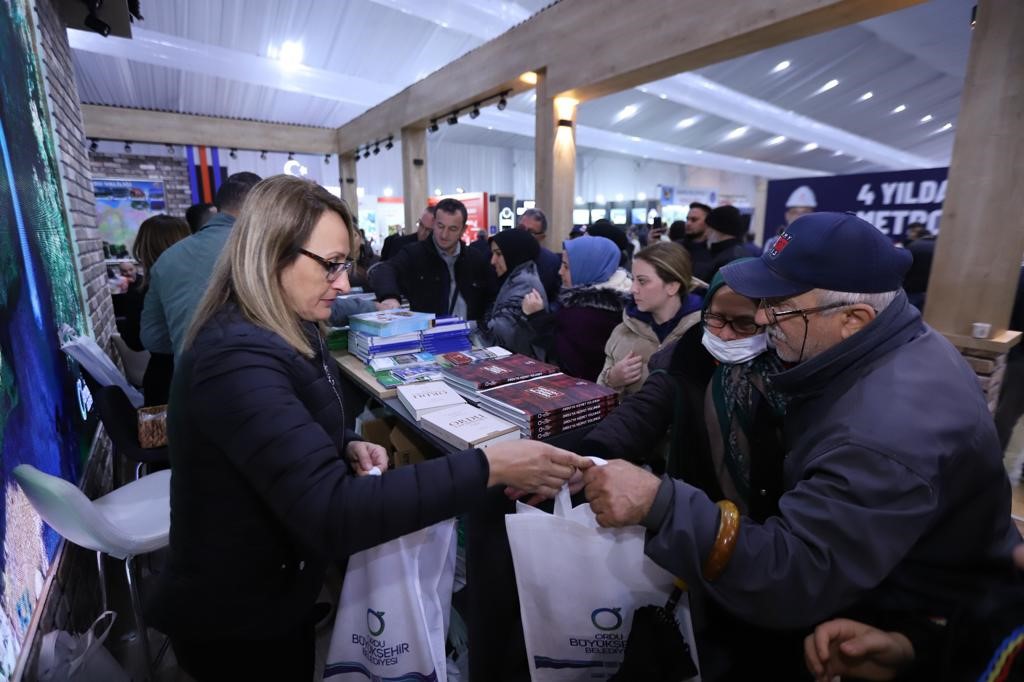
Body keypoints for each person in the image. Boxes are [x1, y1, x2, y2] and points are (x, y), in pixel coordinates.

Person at [148, 175, 591, 680]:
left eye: (347, 264)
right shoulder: (236, 357)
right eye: (332, 265)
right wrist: (490, 465)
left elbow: (278, 433)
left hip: (274, 590)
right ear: (271, 253)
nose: (343, 283)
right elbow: (331, 511)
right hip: (234, 618)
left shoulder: (280, 327)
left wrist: (345, 445)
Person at [583, 212, 1020, 678]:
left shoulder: (884, 429)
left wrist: (663, 505)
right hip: (912, 621)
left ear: (853, 319)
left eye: (781, 307)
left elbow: (795, 573)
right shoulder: (886, 349)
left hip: (917, 615)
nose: (764, 316)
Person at [141, 171, 262, 357]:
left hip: (187, 378)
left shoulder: (167, 258)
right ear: (261, 206)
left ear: (217, 207)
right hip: (258, 373)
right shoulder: (262, 252)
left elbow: (152, 338)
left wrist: (188, 346)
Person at [597, 242, 702, 395]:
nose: (632, 289)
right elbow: (598, 395)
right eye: (633, 280)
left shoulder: (705, 332)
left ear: (672, 286)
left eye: (642, 281)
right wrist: (612, 380)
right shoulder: (623, 331)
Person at [370, 197, 497, 323]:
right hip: (429, 336)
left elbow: (492, 296)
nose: (444, 235)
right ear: (434, 223)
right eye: (440, 226)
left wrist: (484, 325)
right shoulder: (414, 254)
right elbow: (385, 270)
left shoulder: (476, 259)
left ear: (463, 229)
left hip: (470, 336)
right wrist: (390, 297)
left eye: (452, 229)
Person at [523, 235, 631, 382]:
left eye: (566, 266)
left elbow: (565, 359)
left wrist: (538, 317)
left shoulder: (585, 316)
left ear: (587, 267)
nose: (560, 271)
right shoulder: (615, 301)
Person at [127, 214, 191, 404]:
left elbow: (134, 341)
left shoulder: (141, 290)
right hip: (196, 379)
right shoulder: (198, 285)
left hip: (161, 381)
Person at [479, 228, 547, 356]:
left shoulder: (524, 286)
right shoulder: (516, 279)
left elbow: (501, 334)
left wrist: (462, 329)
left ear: (514, 254)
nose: (493, 261)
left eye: (498, 254)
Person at [517, 208, 562, 304]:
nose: (522, 234)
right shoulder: (502, 256)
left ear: (541, 237)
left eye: (530, 232)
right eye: (521, 229)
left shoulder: (552, 262)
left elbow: (556, 298)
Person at [695, 204, 749, 282]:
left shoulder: (730, 258)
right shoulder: (737, 252)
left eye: (709, 228)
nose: (706, 234)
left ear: (718, 230)